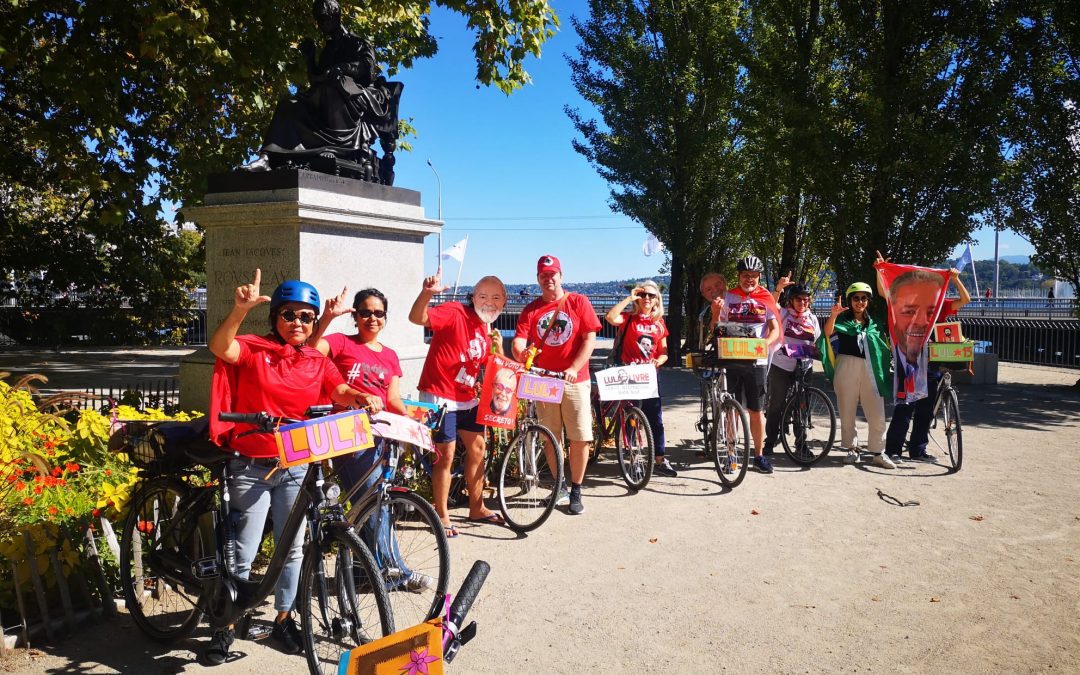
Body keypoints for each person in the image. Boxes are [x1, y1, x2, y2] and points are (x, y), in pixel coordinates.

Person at [205, 272, 379, 664]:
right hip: (251, 463)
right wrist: (239, 310)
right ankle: (225, 624)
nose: (297, 323)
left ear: (314, 321)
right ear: (275, 318)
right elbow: (221, 347)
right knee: (243, 549)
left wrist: (360, 396)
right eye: (288, 315)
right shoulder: (255, 349)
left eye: (306, 316)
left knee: (294, 547)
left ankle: (283, 618)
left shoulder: (317, 359)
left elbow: (338, 389)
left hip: (295, 464)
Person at [311, 287, 433, 592]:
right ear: (355, 316)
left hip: (380, 435)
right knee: (372, 500)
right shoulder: (340, 343)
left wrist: (414, 421)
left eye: (378, 313)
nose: (372, 318)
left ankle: (368, 570)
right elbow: (310, 353)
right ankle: (395, 571)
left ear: (385, 317)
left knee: (377, 502)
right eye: (365, 312)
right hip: (347, 433)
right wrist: (326, 318)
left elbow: (393, 400)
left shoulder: (390, 355)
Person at [243, 0, 402, 183]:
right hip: (323, 99)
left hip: (352, 101)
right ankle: (266, 158)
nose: (321, 25)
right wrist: (310, 59)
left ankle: (335, 147)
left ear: (336, 17)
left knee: (333, 85)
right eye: (318, 20)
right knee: (288, 105)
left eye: (324, 19)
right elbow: (316, 80)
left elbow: (367, 68)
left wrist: (344, 67)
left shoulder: (357, 43)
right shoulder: (327, 49)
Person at [409, 272, 508, 536]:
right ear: (473, 297)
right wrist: (427, 293)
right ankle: (440, 513)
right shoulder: (454, 312)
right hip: (440, 394)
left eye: (496, 298)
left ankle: (477, 506)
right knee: (446, 453)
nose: (489, 302)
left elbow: (495, 370)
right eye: (483, 296)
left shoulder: (486, 329)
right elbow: (417, 318)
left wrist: (499, 349)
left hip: (466, 397)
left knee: (478, 448)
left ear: (503, 304)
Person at [512, 255, 602, 515]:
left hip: (575, 380)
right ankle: (559, 484)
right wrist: (521, 354)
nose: (548, 278)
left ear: (561, 276)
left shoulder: (578, 302)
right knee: (550, 436)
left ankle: (576, 487)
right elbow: (519, 341)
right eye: (543, 275)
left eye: (552, 274)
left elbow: (589, 339)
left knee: (579, 436)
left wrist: (573, 368)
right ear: (538, 278)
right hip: (544, 381)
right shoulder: (531, 310)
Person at [885, 268, 971, 462]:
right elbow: (886, 293)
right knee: (905, 407)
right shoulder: (909, 303)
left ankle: (918, 449)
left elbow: (965, 300)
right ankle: (893, 450)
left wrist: (955, 279)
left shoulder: (941, 305)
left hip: (932, 364)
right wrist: (880, 270)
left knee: (925, 410)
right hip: (909, 362)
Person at [819, 282, 895, 469]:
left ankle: (878, 452)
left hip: (872, 368)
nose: (860, 302)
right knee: (847, 410)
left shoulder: (875, 322)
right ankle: (852, 449)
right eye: (856, 298)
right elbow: (827, 334)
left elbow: (883, 345)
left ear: (868, 301)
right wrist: (834, 314)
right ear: (850, 300)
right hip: (847, 366)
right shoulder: (842, 320)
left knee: (876, 411)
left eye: (863, 298)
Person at [604, 279, 675, 477]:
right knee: (632, 417)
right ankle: (634, 458)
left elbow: (664, 352)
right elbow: (610, 317)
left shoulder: (659, 323)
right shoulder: (629, 318)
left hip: (650, 376)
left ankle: (660, 459)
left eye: (651, 295)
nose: (646, 298)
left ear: (657, 300)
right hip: (628, 373)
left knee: (655, 419)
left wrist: (658, 362)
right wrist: (629, 297)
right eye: (643, 294)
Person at [718, 256, 781, 473]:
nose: (749, 279)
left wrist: (765, 344)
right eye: (745, 275)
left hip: (756, 361)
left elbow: (775, 330)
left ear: (759, 277)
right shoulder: (729, 297)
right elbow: (716, 328)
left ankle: (759, 455)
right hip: (733, 359)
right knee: (732, 411)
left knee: (756, 410)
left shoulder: (765, 298)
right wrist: (717, 312)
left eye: (753, 276)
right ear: (738, 276)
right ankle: (731, 454)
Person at [762, 284, 821, 460]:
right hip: (782, 364)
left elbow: (815, 342)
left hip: (804, 366)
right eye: (798, 299)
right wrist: (779, 288)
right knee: (776, 404)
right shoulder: (783, 314)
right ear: (791, 300)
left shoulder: (812, 318)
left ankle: (801, 444)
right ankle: (770, 441)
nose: (802, 302)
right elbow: (770, 304)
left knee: (802, 406)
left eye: (805, 299)